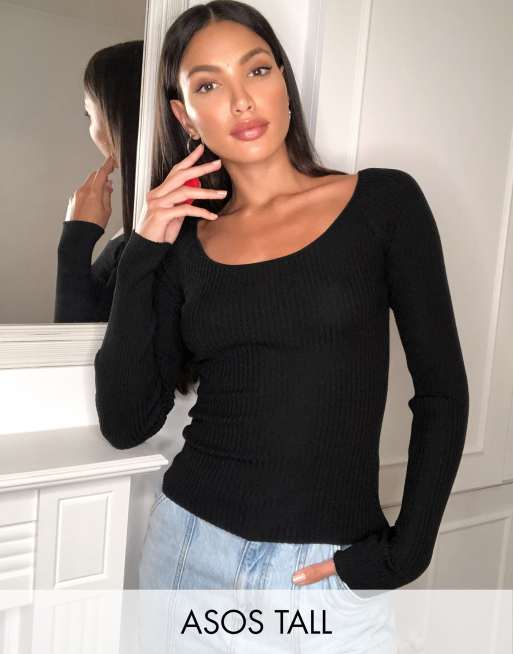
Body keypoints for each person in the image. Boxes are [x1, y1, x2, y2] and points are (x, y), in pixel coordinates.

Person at [94, 1, 469, 651]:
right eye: (208, 85)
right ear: (184, 116)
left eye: (257, 70)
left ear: (284, 82)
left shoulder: (382, 204)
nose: (241, 99)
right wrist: (143, 249)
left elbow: (441, 393)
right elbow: (124, 423)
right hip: (186, 553)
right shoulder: (181, 249)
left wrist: (404, 553)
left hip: (320, 573)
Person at [54, 40, 143, 323]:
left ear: (119, 118)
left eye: (89, 114)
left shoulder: (159, 232)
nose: (91, 129)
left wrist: (76, 239)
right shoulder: (142, 222)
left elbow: (75, 339)